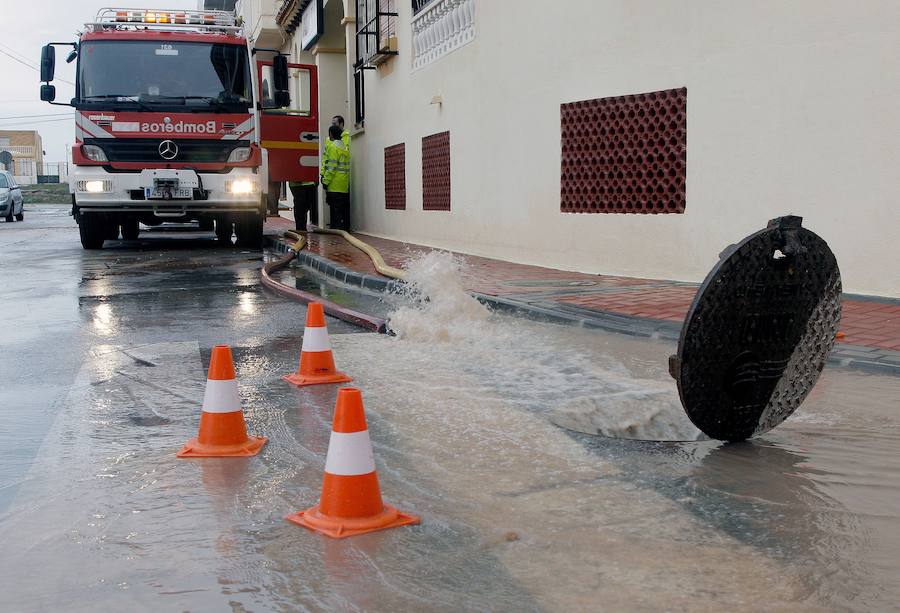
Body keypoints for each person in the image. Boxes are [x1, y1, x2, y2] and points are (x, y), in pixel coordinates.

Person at [320, 124, 351, 231]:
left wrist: (325, 181)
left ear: (331, 134)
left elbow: (331, 167)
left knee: (335, 213)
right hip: (343, 185)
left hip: (334, 185)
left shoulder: (333, 147)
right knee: (342, 212)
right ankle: (342, 230)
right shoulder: (344, 147)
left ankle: (336, 236)